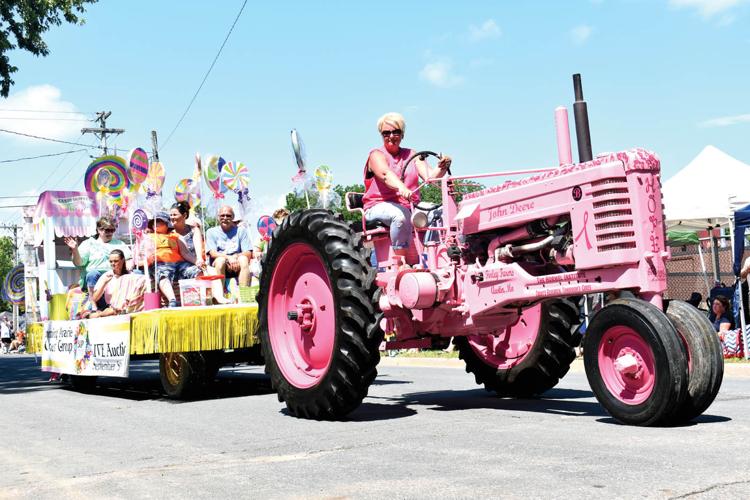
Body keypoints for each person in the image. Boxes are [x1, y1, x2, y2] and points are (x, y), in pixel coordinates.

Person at [362, 112, 451, 260]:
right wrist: (402, 188)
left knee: (440, 212)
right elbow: (385, 174)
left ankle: (434, 256)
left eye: (396, 132)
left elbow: (430, 177)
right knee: (400, 216)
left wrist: (442, 166)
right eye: (386, 133)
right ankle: (400, 262)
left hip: (410, 205)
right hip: (378, 205)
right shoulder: (375, 155)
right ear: (381, 135)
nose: (391, 136)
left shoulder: (412, 154)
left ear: (402, 134)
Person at [64, 217, 132, 307]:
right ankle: (94, 304)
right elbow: (79, 263)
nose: (110, 233)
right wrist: (75, 250)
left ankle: (130, 304)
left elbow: (128, 259)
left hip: (115, 276)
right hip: (95, 278)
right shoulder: (88, 243)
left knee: (137, 273)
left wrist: (129, 267)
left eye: (112, 230)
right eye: (107, 230)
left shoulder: (119, 244)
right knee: (92, 274)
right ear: (99, 230)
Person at [89, 249, 147, 317]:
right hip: (113, 309)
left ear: (122, 261)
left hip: (131, 307)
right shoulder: (106, 276)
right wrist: (104, 283)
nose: (113, 264)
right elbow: (94, 298)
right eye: (111, 262)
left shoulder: (132, 275)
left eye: (116, 261)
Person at [206, 205, 253, 287]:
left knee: (244, 259)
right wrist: (229, 258)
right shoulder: (211, 232)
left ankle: (244, 294)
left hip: (237, 264)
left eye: (228, 215)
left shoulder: (241, 231)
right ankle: (220, 296)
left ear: (233, 217)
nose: (225, 218)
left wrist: (235, 256)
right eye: (222, 215)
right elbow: (213, 253)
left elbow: (248, 252)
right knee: (220, 260)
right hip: (219, 265)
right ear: (218, 217)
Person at [170, 201, 206, 277]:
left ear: (184, 215)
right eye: (171, 215)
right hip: (178, 266)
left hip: (196, 263)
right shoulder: (169, 232)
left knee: (209, 271)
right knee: (199, 272)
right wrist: (197, 262)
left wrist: (199, 260)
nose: (172, 217)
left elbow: (198, 251)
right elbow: (184, 253)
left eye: (175, 215)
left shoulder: (194, 230)